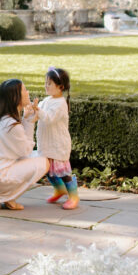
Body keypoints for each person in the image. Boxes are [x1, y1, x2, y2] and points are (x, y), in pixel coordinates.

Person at [0, 78, 48, 210]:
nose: (28, 92)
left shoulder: (0, 119)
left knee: (35, 156)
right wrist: (31, 122)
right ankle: (5, 197)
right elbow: (26, 150)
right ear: (16, 97)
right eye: (24, 90)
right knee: (44, 162)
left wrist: (26, 118)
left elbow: (20, 151)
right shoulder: (10, 125)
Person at [36, 66, 79, 209]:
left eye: (49, 83)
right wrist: (32, 110)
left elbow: (49, 118)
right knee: (48, 169)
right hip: (46, 143)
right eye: (45, 83)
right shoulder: (47, 100)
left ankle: (73, 196)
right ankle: (59, 190)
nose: (46, 86)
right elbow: (39, 115)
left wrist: (38, 110)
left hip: (57, 144)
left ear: (60, 87)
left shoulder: (60, 104)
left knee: (62, 172)